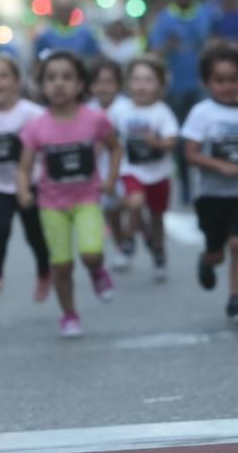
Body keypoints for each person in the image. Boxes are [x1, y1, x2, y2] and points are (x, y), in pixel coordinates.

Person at [17, 51, 120, 338]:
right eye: (51, 78)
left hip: (88, 199)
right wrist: (23, 189)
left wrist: (111, 177)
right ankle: (69, 314)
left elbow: (115, 147)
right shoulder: (36, 126)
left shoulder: (95, 119)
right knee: (61, 264)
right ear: (42, 86)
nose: (58, 84)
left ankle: (98, 271)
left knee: (90, 253)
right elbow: (24, 167)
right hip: (51, 204)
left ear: (80, 85)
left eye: (66, 77)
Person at [181, 43, 238, 324]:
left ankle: (235, 300)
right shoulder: (202, 113)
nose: (227, 86)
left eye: (233, 79)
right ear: (207, 82)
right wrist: (221, 166)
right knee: (218, 252)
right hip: (212, 195)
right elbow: (190, 153)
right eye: (220, 80)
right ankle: (207, 261)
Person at [0, 55, 51, 302]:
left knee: (34, 233)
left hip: (30, 182)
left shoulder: (32, 114)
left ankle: (44, 272)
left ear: (17, 81)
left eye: (3, 76)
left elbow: (47, 146)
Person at [110, 56, 180, 280]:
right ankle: (128, 243)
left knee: (157, 218)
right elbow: (110, 137)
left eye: (148, 80)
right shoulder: (121, 111)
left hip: (159, 173)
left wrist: (157, 142)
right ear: (128, 84)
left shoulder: (162, 112)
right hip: (132, 169)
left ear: (160, 85)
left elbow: (172, 141)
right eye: (137, 80)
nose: (142, 85)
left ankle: (159, 252)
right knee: (135, 202)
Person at [150, 0, 212, 204]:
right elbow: (155, 52)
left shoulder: (205, 13)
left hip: (202, 86)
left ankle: (204, 183)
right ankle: (185, 184)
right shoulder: (165, 19)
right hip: (176, 89)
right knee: (181, 139)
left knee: (204, 136)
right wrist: (168, 46)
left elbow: (213, 43)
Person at [88, 59, 133, 271]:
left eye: (109, 82)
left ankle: (138, 231)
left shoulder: (126, 108)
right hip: (102, 170)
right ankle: (122, 245)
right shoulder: (88, 110)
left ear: (118, 84)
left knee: (133, 203)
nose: (103, 87)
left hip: (129, 167)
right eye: (98, 82)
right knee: (112, 212)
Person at [33, 0, 101, 63]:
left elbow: (94, 58)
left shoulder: (85, 34)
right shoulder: (45, 36)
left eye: (67, 9)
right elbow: (38, 60)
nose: (65, 13)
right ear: (56, 11)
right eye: (61, 10)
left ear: (72, 10)